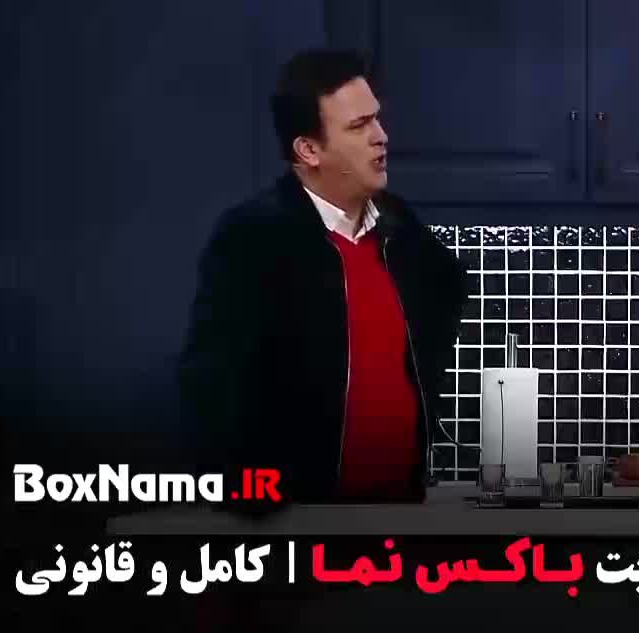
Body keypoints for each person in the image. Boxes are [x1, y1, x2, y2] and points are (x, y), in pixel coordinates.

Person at [179, 49, 467, 503]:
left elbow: (446, 295)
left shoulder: (401, 230)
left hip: (401, 509)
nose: (381, 137)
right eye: (358, 126)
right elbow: (212, 387)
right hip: (301, 516)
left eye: (376, 119)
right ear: (309, 150)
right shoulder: (254, 238)